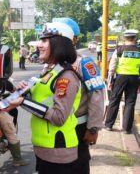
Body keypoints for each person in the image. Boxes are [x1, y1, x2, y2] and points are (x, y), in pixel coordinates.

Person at [7, 22, 82, 174]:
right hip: (45, 150)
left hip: (58, 152)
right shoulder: (51, 71)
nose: (39, 45)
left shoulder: (65, 76)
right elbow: (42, 100)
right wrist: (24, 92)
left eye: (44, 41)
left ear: (58, 44)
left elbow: (59, 117)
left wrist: (24, 101)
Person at [53, 17, 105, 174]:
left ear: (74, 40)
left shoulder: (84, 63)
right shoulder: (50, 64)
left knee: (77, 166)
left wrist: (93, 128)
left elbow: (96, 96)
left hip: (77, 127)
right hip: (53, 127)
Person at [105, 29, 140, 134]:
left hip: (120, 78)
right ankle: (127, 129)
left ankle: (109, 125)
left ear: (125, 38)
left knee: (114, 100)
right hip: (134, 78)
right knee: (130, 103)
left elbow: (112, 66)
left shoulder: (119, 49)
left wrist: (110, 81)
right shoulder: (139, 50)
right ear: (134, 38)